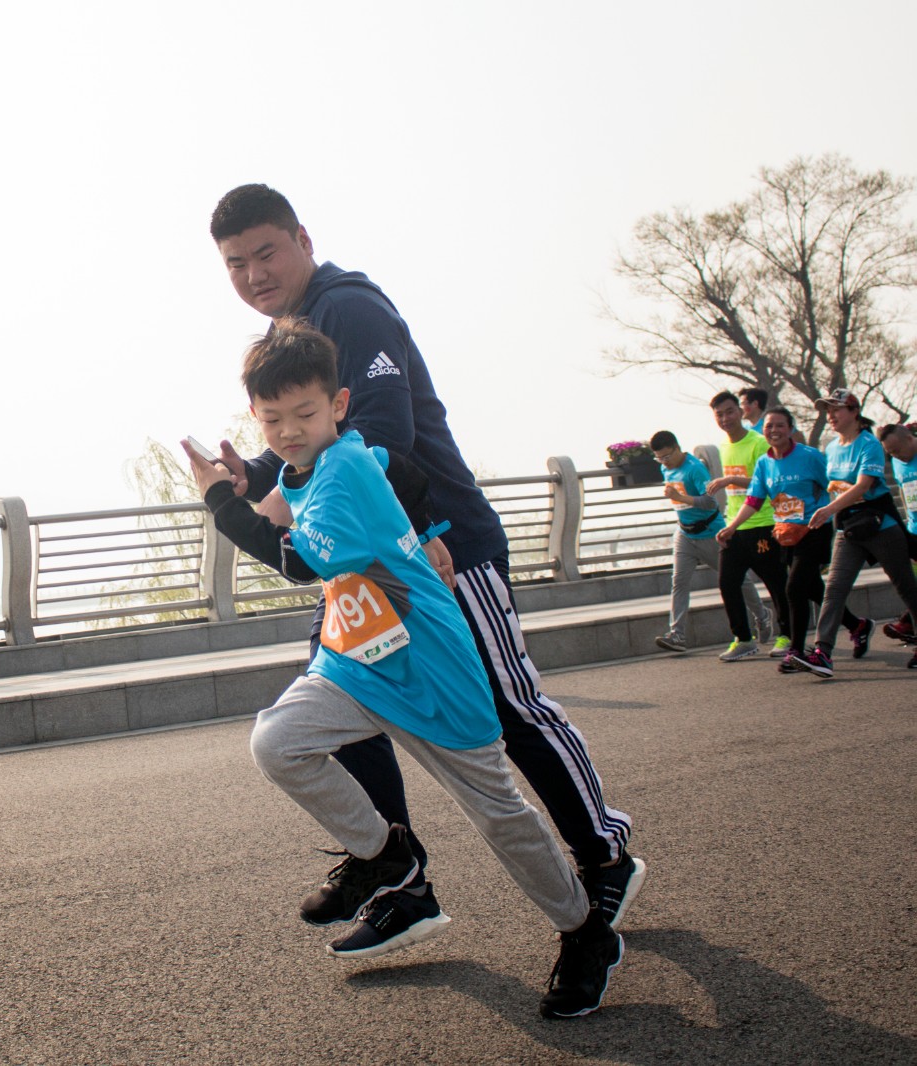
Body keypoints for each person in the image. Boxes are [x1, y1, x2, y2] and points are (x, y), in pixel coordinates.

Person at [208, 184, 642, 930]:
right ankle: (399, 880)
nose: (254, 274)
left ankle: (604, 855)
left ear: (304, 239)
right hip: (367, 566)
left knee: (509, 707)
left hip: (441, 550)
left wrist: (257, 511)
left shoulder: (350, 308)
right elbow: (312, 444)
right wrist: (254, 473)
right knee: (340, 698)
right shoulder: (293, 331)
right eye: (235, 263)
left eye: (265, 252)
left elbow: (381, 440)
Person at [183, 320, 623, 1019]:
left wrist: (219, 501)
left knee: (501, 818)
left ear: (339, 405)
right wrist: (424, 530)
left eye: (304, 414)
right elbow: (407, 471)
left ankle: (585, 932)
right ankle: (384, 856)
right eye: (272, 419)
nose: (289, 431)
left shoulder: (343, 472)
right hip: (357, 664)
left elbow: (295, 561)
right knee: (278, 742)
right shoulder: (321, 465)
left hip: (431, 669)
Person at [791, 391, 917, 677]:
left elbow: (863, 486)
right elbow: (833, 485)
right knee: (834, 589)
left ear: (854, 411)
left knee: (906, 587)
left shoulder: (869, 444)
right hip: (848, 527)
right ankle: (822, 653)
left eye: (836, 410)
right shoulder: (832, 447)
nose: (830, 416)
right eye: (827, 411)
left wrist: (828, 509)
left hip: (879, 525)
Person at [715, 408, 840, 668]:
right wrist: (732, 527)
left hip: (814, 529)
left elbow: (834, 484)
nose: (774, 431)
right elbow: (754, 499)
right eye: (769, 426)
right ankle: (857, 625)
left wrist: (830, 510)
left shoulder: (809, 456)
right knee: (811, 587)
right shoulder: (765, 463)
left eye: (780, 425)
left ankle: (795, 650)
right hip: (786, 533)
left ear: (791, 428)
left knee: (793, 588)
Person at [649, 430, 770, 653]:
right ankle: (677, 634)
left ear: (677, 448)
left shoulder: (694, 469)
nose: (664, 462)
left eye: (667, 456)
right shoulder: (665, 468)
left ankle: (762, 616)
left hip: (709, 533)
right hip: (684, 533)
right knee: (679, 582)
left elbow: (710, 503)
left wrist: (680, 497)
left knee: (738, 580)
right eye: (659, 458)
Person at [705, 392, 793, 660]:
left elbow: (768, 481)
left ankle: (787, 635)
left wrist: (729, 479)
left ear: (740, 412)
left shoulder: (758, 442)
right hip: (735, 526)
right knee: (727, 583)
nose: (725, 418)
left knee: (776, 583)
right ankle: (744, 639)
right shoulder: (724, 446)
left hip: (763, 524)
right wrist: (729, 522)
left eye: (730, 411)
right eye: (719, 414)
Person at [876, 422, 917, 647]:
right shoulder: (897, 463)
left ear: (910, 438)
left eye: (898, 450)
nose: (896, 456)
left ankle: (906, 622)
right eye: (890, 453)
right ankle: (908, 622)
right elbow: (902, 491)